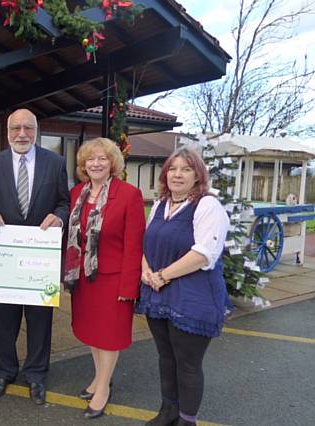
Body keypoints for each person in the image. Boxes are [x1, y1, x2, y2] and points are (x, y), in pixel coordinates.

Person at [135, 147, 231, 426]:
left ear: (197, 176)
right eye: (173, 169)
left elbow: (204, 253)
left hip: (193, 296)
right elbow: (146, 242)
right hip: (158, 292)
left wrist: (162, 275)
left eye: (186, 169)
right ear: (165, 174)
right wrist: (146, 270)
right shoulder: (160, 205)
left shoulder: (207, 206)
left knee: (187, 363)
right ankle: (168, 411)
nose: (178, 174)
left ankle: (187, 420)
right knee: (166, 357)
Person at [0, 108, 70, 405]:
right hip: (4, 260)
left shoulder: (55, 163)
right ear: (7, 132)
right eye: (16, 128)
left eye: (28, 128)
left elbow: (64, 202)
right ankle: (5, 371)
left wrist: (59, 218)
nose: (22, 134)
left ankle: (36, 375)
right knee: (3, 320)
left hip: (39, 261)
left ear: (37, 130)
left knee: (40, 320)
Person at [64, 138, 145, 419]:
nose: (96, 164)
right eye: (90, 159)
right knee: (92, 333)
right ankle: (100, 378)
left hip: (113, 279)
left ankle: (103, 389)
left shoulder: (128, 195)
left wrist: (129, 286)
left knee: (109, 337)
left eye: (102, 159)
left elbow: (135, 245)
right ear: (83, 165)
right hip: (84, 279)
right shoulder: (77, 193)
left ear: (113, 163)